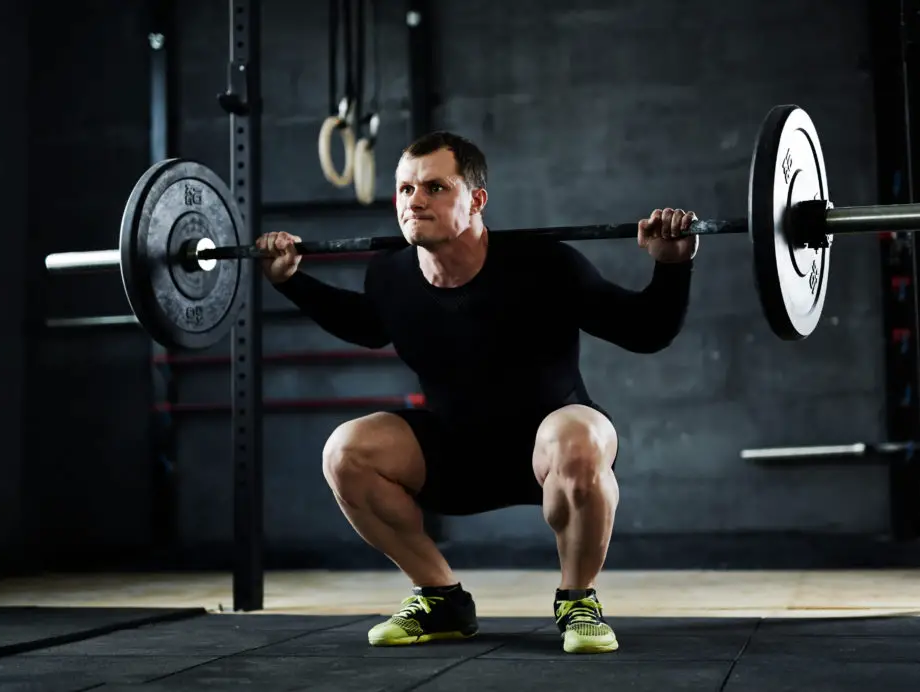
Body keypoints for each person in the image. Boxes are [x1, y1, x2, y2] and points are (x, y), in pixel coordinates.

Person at [258, 131, 697, 655]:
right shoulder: (393, 273)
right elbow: (370, 325)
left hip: (552, 451)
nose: (414, 201)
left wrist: (672, 266)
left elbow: (644, 331)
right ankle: (440, 597)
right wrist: (291, 281)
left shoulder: (544, 265)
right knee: (345, 451)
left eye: (434, 187)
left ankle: (578, 600)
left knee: (579, 435)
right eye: (403, 190)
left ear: (476, 199)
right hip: (455, 453)